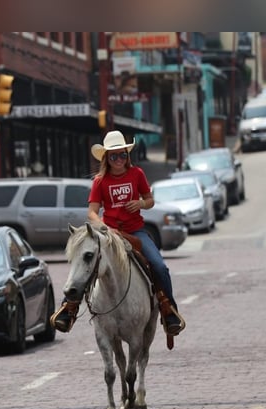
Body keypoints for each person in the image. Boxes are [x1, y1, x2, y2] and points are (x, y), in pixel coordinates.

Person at [51, 130, 186, 336]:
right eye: (113, 156)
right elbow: (92, 213)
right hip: (110, 233)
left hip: (135, 231)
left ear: (127, 155)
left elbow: (150, 200)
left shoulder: (137, 174)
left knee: (159, 265)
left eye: (122, 154)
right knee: (86, 260)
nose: (118, 160)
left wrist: (140, 202)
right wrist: (104, 228)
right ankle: (68, 308)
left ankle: (169, 311)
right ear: (106, 158)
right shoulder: (100, 181)